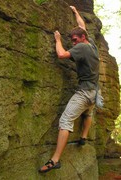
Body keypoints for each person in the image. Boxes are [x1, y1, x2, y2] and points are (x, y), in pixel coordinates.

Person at [38, 6, 99, 173]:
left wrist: (58, 40)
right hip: (95, 92)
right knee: (88, 113)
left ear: (82, 38)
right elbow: (82, 26)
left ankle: (55, 160)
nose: (73, 43)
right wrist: (76, 12)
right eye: (71, 40)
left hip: (85, 93)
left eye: (74, 40)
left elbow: (62, 55)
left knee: (65, 120)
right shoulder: (91, 44)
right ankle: (83, 137)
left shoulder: (82, 47)